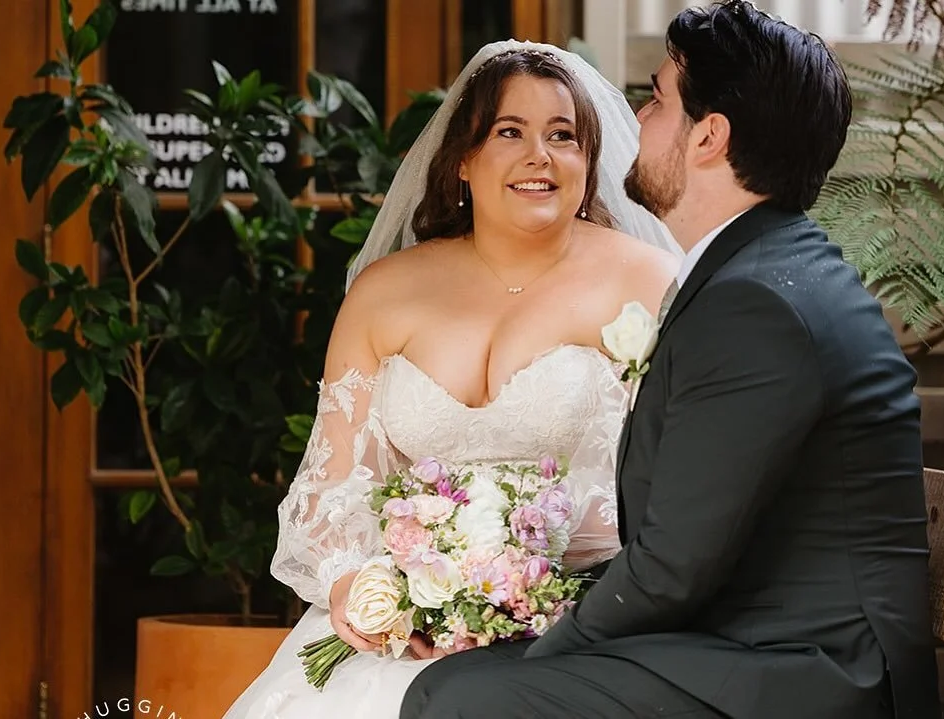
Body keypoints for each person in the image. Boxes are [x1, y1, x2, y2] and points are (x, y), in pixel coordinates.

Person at [401, 3, 943, 718]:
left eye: (656, 98)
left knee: (471, 699)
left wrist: (541, 653)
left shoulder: (757, 306)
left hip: (813, 677)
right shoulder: (761, 271)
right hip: (752, 644)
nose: (636, 115)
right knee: (455, 682)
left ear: (709, 137)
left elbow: (673, 567)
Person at [221, 39, 682, 719]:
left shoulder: (647, 281)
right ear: (462, 159)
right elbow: (332, 486)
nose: (539, 156)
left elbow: (675, 486)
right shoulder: (386, 292)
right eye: (509, 132)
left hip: (577, 633)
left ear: (589, 159)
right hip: (404, 633)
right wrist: (357, 584)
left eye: (563, 136)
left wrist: (527, 583)